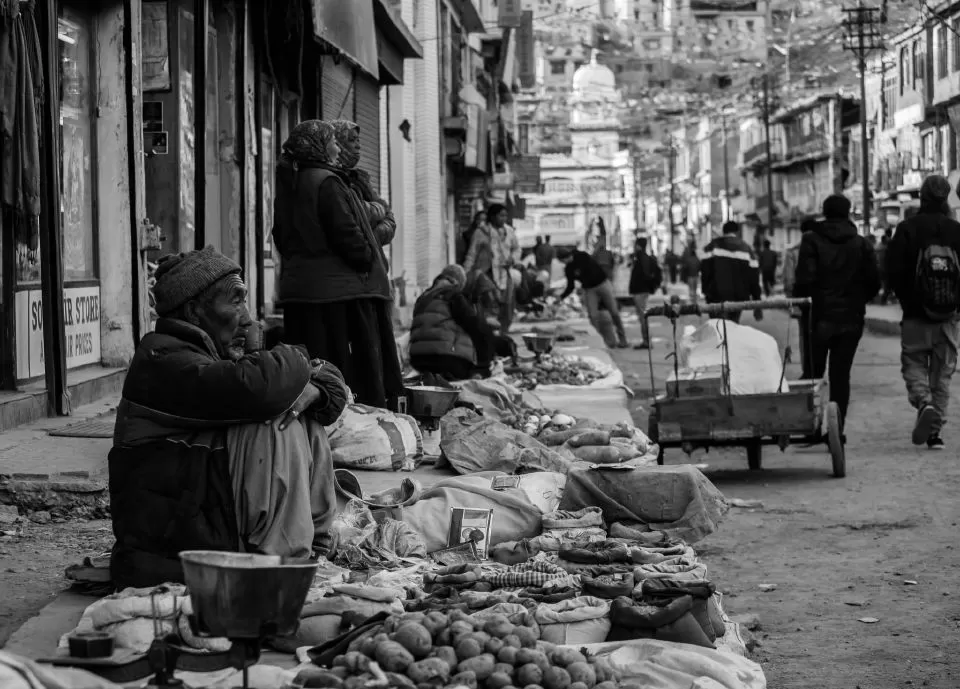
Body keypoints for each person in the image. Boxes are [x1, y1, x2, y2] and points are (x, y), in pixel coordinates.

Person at [109, 246, 349, 588]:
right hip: (170, 540)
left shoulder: (213, 354)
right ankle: (281, 565)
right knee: (274, 421)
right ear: (194, 311)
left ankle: (314, 550)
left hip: (207, 512)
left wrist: (316, 388)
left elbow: (328, 392)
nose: (247, 318)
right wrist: (297, 361)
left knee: (300, 408)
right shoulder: (161, 359)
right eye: (235, 302)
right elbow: (262, 388)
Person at [272, 120, 403, 410]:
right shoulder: (326, 182)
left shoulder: (291, 180)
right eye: (333, 142)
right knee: (345, 372)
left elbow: (279, 236)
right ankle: (350, 421)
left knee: (313, 368)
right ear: (320, 146)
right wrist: (366, 256)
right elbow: (347, 235)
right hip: (339, 297)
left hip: (301, 292)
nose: (338, 149)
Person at [794, 195, 880, 436]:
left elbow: (804, 279)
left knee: (813, 374)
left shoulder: (811, 240)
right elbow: (874, 282)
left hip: (818, 317)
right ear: (848, 212)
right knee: (841, 375)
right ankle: (836, 430)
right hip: (851, 319)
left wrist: (804, 302)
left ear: (825, 212)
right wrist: (858, 300)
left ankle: (810, 426)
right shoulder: (861, 244)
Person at [887, 174, 960, 449]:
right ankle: (935, 433)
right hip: (948, 315)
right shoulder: (956, 230)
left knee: (914, 363)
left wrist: (906, 300)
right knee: (942, 374)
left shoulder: (907, 228)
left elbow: (893, 271)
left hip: (916, 314)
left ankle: (923, 402)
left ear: (922, 197)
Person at [409, 264, 498, 381]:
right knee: (483, 333)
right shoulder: (453, 295)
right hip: (447, 360)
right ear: (460, 283)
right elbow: (475, 325)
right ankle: (480, 373)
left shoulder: (422, 298)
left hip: (417, 360)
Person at [330, 120, 396, 248]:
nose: (358, 146)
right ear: (337, 142)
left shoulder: (359, 178)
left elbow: (389, 218)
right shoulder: (330, 179)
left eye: (358, 140)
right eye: (352, 140)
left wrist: (372, 238)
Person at [463, 203, 521, 332]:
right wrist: (465, 273)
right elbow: (472, 253)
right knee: (490, 304)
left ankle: (503, 333)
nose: (504, 219)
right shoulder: (481, 232)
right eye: (501, 216)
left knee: (508, 306)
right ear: (492, 217)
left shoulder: (509, 231)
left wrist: (512, 259)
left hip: (505, 274)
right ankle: (490, 334)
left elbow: (517, 249)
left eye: (505, 216)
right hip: (487, 273)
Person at [557, 247, 629, 348]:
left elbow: (590, 269)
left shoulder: (582, 256)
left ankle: (623, 340)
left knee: (614, 312)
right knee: (592, 315)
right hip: (589, 289)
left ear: (565, 257)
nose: (563, 263)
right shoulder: (568, 269)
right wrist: (561, 297)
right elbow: (570, 286)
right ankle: (597, 342)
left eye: (562, 260)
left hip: (602, 283)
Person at [701, 221, 763, 323]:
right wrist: (757, 303)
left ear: (723, 231)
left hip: (716, 297)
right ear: (737, 232)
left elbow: (705, 271)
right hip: (738, 298)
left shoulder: (712, 246)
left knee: (717, 328)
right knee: (732, 326)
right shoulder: (746, 249)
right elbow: (754, 278)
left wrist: (706, 292)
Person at [629, 237, 663, 350]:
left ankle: (646, 341)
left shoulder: (641, 258)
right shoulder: (641, 257)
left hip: (640, 290)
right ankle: (646, 340)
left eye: (635, 245)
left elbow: (645, 274)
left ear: (638, 246)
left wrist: (644, 286)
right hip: (642, 289)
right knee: (642, 316)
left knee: (643, 316)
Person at [680, 241, 701, 305]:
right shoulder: (697, 259)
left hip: (690, 276)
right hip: (696, 276)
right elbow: (700, 267)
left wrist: (684, 276)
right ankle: (694, 301)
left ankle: (692, 301)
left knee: (691, 289)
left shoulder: (688, 260)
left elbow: (685, 268)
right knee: (695, 289)